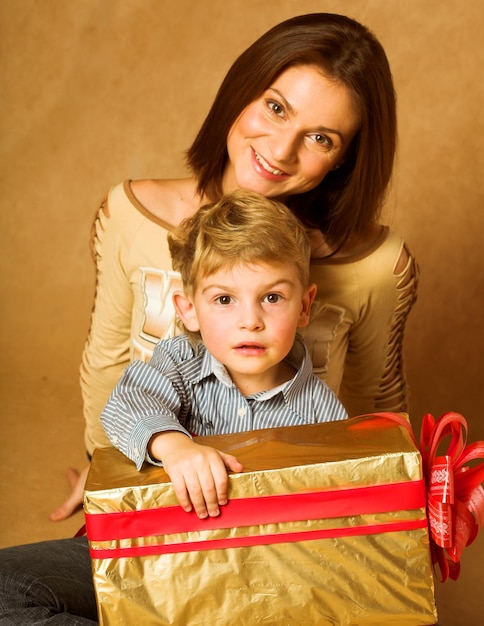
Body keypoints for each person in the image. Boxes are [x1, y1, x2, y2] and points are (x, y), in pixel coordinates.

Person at [0, 13, 418, 623]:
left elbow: (376, 406)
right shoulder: (132, 216)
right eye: (276, 108)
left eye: (322, 138)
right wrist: (116, 466)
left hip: (281, 544)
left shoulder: (373, 267)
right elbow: (111, 364)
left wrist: (417, 501)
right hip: (156, 508)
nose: (280, 151)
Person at [100, 190, 347, 519]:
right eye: (224, 300)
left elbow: (341, 491)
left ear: (303, 307)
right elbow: (126, 403)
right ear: (189, 310)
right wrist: (175, 446)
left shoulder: (320, 408)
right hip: (181, 544)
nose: (250, 322)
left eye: (272, 298)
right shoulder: (179, 363)